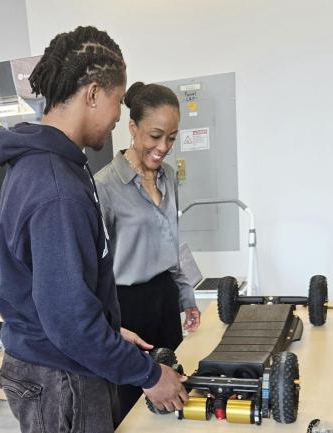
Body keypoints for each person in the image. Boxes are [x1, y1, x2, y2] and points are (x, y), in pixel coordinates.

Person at [0, 27, 187, 433]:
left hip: (54, 361)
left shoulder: (46, 166)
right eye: (116, 102)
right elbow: (69, 322)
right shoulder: (57, 187)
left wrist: (111, 332)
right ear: (93, 94)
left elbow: (62, 291)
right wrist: (149, 376)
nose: (117, 116)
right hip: (60, 376)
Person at [95, 81, 201, 422]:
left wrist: (186, 296)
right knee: (132, 406)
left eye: (171, 137)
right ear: (132, 127)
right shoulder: (105, 186)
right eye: (156, 135)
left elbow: (173, 241)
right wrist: (107, 325)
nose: (164, 146)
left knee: (174, 390)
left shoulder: (169, 177)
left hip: (165, 299)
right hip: (127, 306)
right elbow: (94, 266)